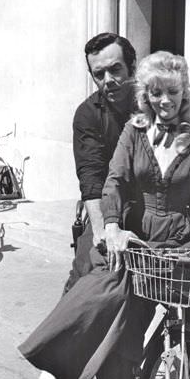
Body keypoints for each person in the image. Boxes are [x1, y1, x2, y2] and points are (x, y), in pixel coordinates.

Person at [19, 52, 190, 379]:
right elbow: (113, 182)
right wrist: (112, 226)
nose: (164, 100)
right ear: (145, 96)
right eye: (155, 92)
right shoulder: (133, 134)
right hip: (141, 245)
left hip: (184, 245)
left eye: (171, 91)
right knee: (121, 335)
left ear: (183, 92)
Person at [64, 32, 137, 292]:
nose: (108, 81)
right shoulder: (88, 114)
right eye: (99, 74)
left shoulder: (158, 103)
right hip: (107, 206)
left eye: (115, 69)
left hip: (158, 209)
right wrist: (100, 230)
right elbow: (91, 176)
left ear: (133, 66)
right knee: (86, 277)